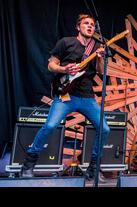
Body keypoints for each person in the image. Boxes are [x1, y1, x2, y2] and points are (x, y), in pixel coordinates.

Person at [20, 14, 109, 181]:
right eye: (86, 23)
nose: (90, 26)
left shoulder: (97, 46)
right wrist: (64, 69)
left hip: (87, 97)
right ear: (78, 27)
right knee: (50, 125)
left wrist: (100, 59)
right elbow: (51, 64)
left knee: (104, 129)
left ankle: (93, 168)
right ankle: (28, 164)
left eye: (92, 24)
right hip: (66, 95)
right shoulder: (66, 42)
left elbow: (100, 71)